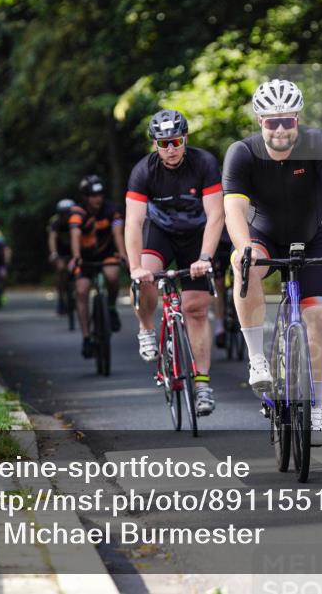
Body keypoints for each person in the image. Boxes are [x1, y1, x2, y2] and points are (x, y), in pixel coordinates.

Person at [222, 78, 322, 446]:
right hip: (262, 237)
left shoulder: (318, 144)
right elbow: (233, 207)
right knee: (243, 264)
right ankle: (256, 360)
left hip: (310, 238)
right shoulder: (243, 153)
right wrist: (244, 246)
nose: (280, 129)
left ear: (297, 119)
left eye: (287, 121)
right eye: (271, 121)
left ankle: (315, 408)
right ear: (259, 121)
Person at [125, 109, 224, 416]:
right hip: (161, 234)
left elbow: (216, 214)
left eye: (176, 142)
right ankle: (145, 328)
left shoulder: (204, 163)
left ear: (186, 139)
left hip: (196, 236)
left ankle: (203, 384)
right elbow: (133, 221)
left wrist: (206, 258)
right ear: (155, 144)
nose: (170, 149)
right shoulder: (144, 171)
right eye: (163, 143)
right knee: (144, 280)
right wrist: (135, 267)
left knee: (196, 308)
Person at [69, 175, 128, 358]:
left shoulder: (112, 210)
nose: (97, 199)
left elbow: (117, 232)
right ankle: (86, 337)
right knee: (81, 290)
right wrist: (76, 256)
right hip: (85, 257)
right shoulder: (77, 212)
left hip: (107, 254)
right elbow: (75, 233)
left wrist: (124, 255)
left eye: (100, 195)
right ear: (85, 197)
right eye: (93, 195)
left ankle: (110, 308)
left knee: (112, 276)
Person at [47, 198, 76, 315]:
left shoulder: (77, 221)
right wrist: (54, 253)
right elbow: (52, 238)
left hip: (75, 250)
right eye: (63, 213)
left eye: (68, 213)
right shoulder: (55, 222)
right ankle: (61, 298)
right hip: (61, 251)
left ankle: (75, 295)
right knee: (60, 269)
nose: (66, 216)